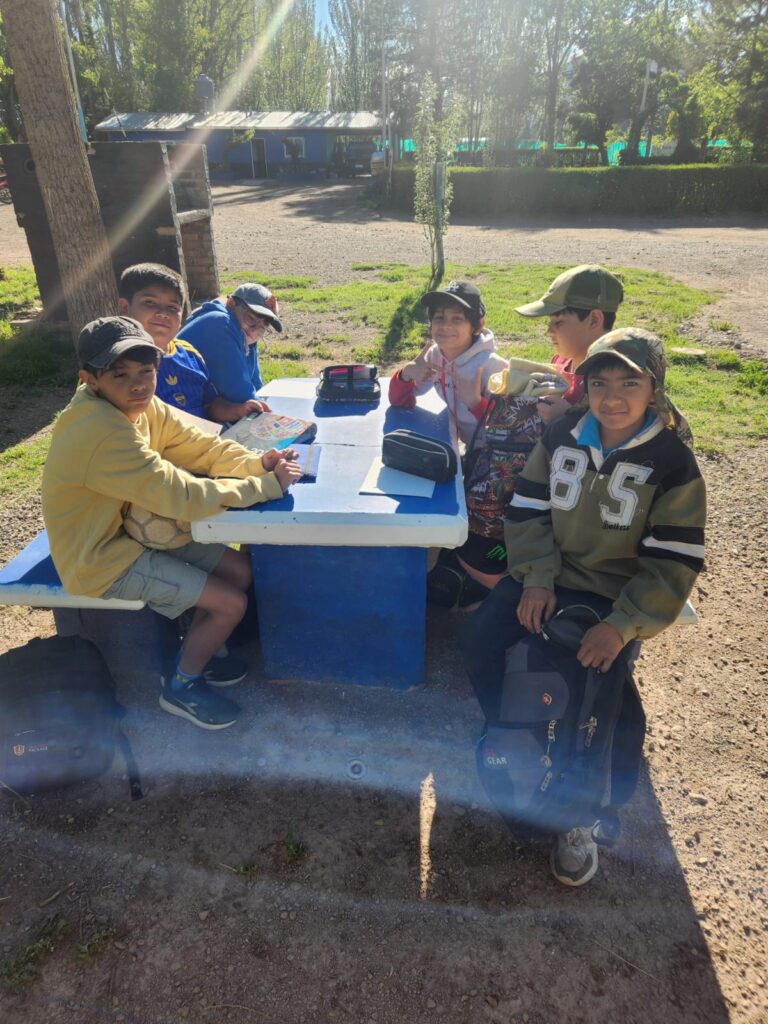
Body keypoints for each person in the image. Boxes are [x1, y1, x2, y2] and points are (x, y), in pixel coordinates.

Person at [459, 328, 706, 887]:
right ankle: (515, 735)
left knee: (594, 696)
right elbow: (527, 509)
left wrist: (621, 626)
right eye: (600, 383)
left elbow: (674, 560)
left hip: (616, 594)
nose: (612, 397)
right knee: (478, 642)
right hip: (550, 575)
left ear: (654, 388)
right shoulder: (563, 434)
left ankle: (582, 817)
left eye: (629, 383)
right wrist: (536, 579)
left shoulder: (672, 462)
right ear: (585, 386)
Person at [41, 316, 302, 731]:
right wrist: (265, 487)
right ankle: (181, 686)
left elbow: (202, 447)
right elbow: (182, 496)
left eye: (146, 371)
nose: (138, 385)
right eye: (120, 374)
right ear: (89, 379)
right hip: (100, 559)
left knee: (240, 571)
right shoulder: (99, 431)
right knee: (230, 604)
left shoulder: (142, 406)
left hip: (134, 531)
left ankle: (200, 651)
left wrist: (257, 463)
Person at [117, 263, 270, 423]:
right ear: (124, 307)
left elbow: (209, 406)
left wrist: (238, 410)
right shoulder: (116, 364)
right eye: (150, 302)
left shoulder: (189, 355)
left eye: (172, 307)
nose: (163, 313)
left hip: (207, 435)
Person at [389, 280, 507, 445]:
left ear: (477, 326)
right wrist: (406, 374)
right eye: (439, 318)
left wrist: (476, 403)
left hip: (495, 450)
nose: (445, 326)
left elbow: (508, 427)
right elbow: (400, 402)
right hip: (465, 445)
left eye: (457, 319)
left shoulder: (494, 367)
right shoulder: (434, 356)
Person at [515, 263, 624, 416]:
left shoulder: (614, 380)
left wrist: (566, 417)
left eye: (558, 322)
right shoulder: (560, 361)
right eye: (549, 322)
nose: (548, 332)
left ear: (594, 320)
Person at [177, 283, 282, 405]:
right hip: (177, 405)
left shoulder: (246, 334)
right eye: (251, 318)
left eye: (263, 326)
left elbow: (257, 388)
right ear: (231, 303)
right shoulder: (221, 323)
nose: (255, 331)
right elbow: (240, 395)